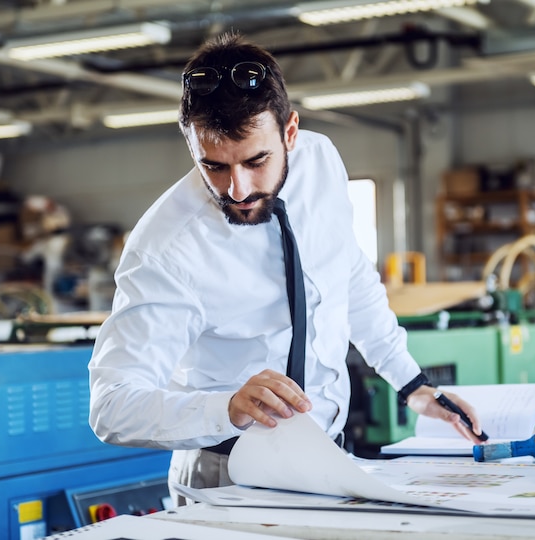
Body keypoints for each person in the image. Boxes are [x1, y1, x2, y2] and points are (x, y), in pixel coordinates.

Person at [88, 31, 484, 504]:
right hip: (228, 475)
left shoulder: (322, 162)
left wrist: (414, 385)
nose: (237, 188)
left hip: (330, 460)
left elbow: (349, 275)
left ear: (290, 132)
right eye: (213, 165)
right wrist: (227, 407)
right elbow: (111, 407)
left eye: (257, 160)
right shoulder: (166, 250)